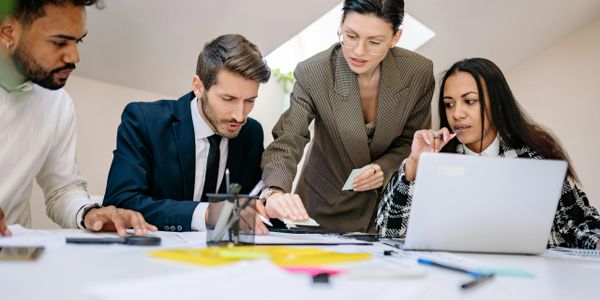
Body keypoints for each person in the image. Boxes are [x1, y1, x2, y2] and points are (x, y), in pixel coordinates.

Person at [376, 57, 600, 249]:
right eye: (449, 104)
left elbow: (577, 222)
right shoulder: (437, 162)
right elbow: (388, 233)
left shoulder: (533, 157)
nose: (457, 114)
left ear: (498, 104)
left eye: (469, 101)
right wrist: (414, 164)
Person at [260, 0, 434, 232]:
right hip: (320, 209)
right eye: (351, 36)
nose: (359, 51)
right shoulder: (314, 72)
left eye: (374, 42)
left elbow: (413, 143)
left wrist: (383, 168)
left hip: (385, 210)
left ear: (395, 38)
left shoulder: (418, 73)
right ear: (341, 24)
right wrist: (274, 192)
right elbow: (288, 140)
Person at [0, 0, 156, 237]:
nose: (74, 56)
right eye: (59, 42)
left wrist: (89, 214)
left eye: (78, 41)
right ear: (7, 32)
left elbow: (62, 189)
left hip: (12, 260)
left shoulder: (56, 103)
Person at [103, 34, 270, 234]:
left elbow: (251, 207)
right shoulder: (145, 121)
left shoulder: (251, 133)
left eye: (250, 101)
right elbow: (120, 202)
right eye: (228, 99)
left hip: (224, 260)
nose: (240, 115)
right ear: (198, 86)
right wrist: (206, 214)